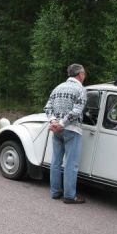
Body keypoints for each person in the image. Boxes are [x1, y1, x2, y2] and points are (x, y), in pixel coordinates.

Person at [44, 64, 87, 204]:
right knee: (71, 164)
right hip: (72, 129)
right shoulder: (81, 89)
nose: (84, 76)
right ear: (79, 74)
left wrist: (54, 121)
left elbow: (48, 107)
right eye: (84, 73)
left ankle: (55, 192)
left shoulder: (58, 87)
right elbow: (77, 111)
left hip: (57, 130)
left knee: (56, 161)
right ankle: (69, 196)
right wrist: (62, 124)